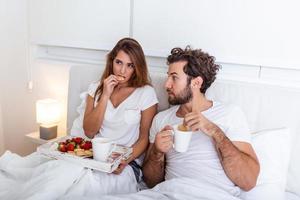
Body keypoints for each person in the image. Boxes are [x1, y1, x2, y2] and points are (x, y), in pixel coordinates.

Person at [141, 46, 260, 198]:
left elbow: (248, 181)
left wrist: (214, 131)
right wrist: (157, 153)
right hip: (169, 193)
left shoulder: (230, 114)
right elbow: (150, 182)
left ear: (196, 83)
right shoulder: (161, 119)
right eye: (168, 77)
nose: (166, 85)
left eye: (174, 77)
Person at [69, 38, 158, 195]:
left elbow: (144, 139)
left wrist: (123, 160)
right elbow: (89, 132)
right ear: (111, 61)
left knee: (94, 188)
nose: (122, 71)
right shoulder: (95, 88)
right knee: (71, 183)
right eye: (119, 62)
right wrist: (105, 95)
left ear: (137, 67)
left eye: (130, 65)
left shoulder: (146, 93)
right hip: (95, 157)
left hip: (127, 163)